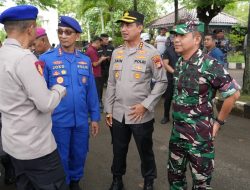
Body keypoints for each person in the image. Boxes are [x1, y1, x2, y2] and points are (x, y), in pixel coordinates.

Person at [0, 5, 68, 190]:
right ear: (30, 28)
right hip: (36, 148)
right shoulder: (24, 59)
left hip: (13, 145)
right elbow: (45, 103)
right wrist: (59, 89)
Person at [167, 18, 241, 190]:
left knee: (201, 184)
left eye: (182, 35)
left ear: (197, 39)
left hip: (200, 138)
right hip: (177, 134)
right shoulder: (180, 62)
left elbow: (233, 94)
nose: (176, 39)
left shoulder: (209, 64)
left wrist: (218, 123)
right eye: (174, 35)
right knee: (175, 179)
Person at [105, 10, 168, 190]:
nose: (123, 29)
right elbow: (111, 83)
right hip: (118, 114)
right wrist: (108, 109)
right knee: (118, 150)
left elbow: (162, 81)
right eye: (122, 25)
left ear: (139, 28)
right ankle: (117, 180)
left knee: (145, 151)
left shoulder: (151, 53)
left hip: (140, 115)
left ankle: (149, 181)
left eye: (128, 25)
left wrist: (146, 105)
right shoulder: (117, 52)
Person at [39, 15, 100, 190]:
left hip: (80, 120)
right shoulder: (47, 59)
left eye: (68, 32)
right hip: (58, 121)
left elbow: (90, 91)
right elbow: (41, 93)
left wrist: (94, 117)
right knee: (60, 156)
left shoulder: (84, 60)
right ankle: (63, 184)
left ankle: (75, 182)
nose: (63, 35)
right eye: (60, 32)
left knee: (79, 153)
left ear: (77, 36)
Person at [85, 36, 108, 112]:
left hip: (94, 74)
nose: (100, 46)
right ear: (97, 42)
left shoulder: (91, 49)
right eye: (99, 44)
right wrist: (101, 59)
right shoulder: (91, 51)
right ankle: (95, 109)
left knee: (97, 91)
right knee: (96, 92)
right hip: (94, 74)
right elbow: (95, 64)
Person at [160, 35, 179, 124]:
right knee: (168, 98)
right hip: (171, 78)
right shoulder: (168, 50)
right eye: (175, 40)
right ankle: (166, 116)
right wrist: (175, 73)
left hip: (184, 79)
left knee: (180, 100)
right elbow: (165, 64)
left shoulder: (185, 49)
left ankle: (178, 118)